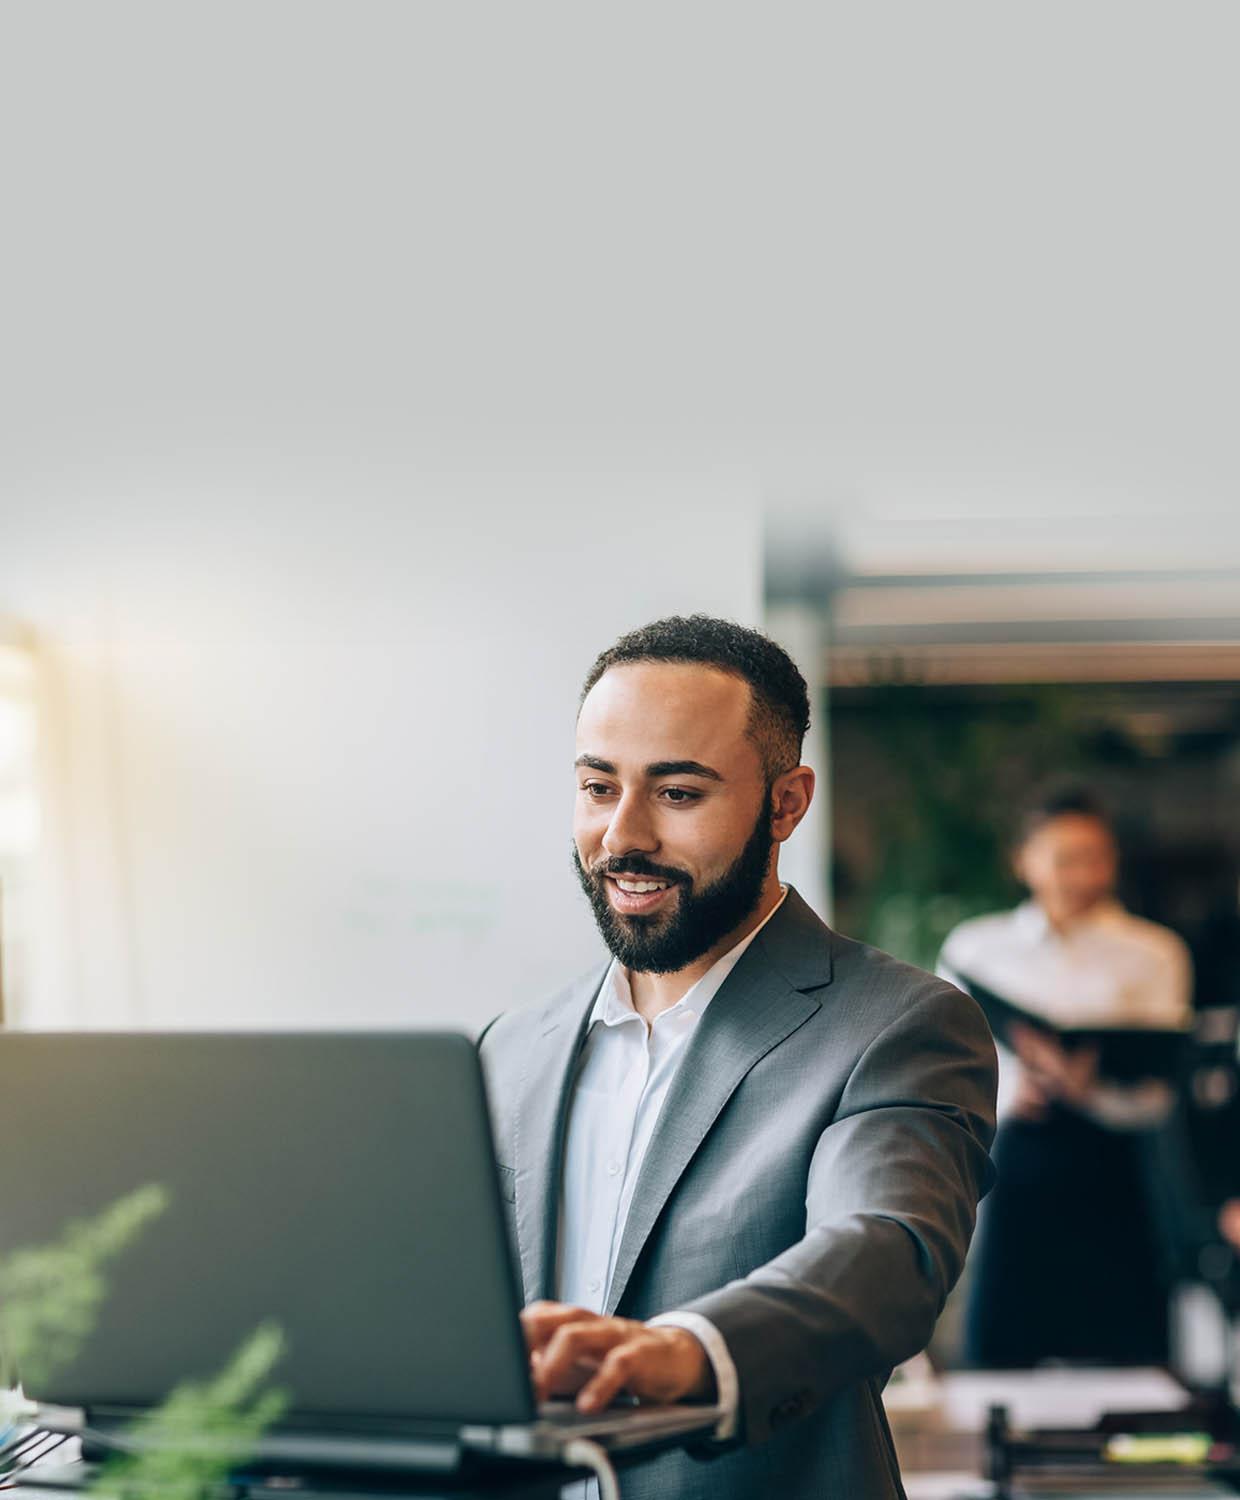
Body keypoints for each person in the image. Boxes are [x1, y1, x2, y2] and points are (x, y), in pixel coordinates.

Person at [479, 615, 997, 1500]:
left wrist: (686, 1353)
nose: (624, 835)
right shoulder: (508, 1050)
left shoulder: (898, 1025)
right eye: (599, 788)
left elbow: (885, 1250)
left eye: (678, 794)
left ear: (787, 803)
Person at [939, 786, 1193, 1368]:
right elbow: (946, 1068)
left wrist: (1091, 1086)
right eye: (1063, 857)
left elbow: (1160, 1084)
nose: (1082, 873)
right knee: (1003, 1347)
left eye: (1095, 856)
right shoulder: (978, 949)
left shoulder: (1155, 952)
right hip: (1015, 1157)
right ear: (1023, 860)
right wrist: (1010, 1090)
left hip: (1114, 1163)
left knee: (1126, 1352)